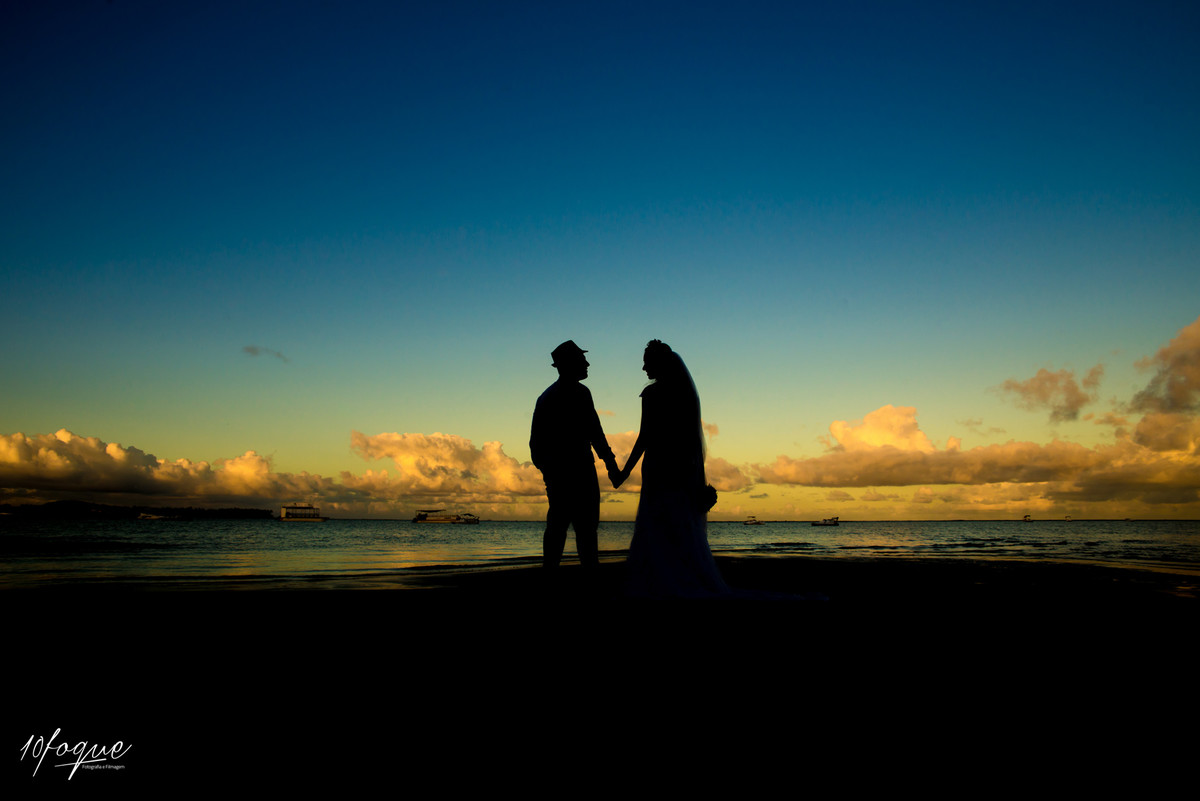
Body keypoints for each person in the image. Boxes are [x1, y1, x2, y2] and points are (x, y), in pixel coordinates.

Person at [614, 340, 727, 597]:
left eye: (646, 362)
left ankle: (657, 582)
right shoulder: (685, 394)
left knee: (656, 524)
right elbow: (691, 439)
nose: (643, 368)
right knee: (678, 525)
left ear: (657, 363)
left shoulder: (652, 394)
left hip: (658, 467)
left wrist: (624, 472)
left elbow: (644, 437)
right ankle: (683, 576)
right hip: (681, 468)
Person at [530, 340, 621, 572]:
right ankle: (584, 579)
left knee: (562, 528)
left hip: (566, 473)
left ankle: (554, 576)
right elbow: (596, 434)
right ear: (569, 365)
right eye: (582, 361)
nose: (587, 364)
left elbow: (536, 447)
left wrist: (549, 472)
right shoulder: (574, 394)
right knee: (581, 531)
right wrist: (611, 465)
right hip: (578, 473)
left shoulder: (548, 397)